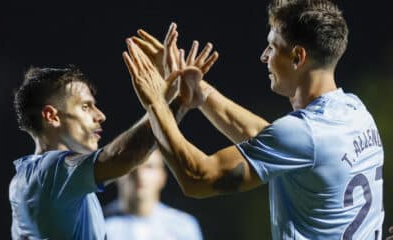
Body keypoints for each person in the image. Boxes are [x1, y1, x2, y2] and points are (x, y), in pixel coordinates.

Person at [123, 0, 384, 239]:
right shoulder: (355, 112)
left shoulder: (305, 135)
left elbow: (197, 178)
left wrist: (156, 101)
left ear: (297, 57)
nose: (264, 57)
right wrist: (199, 90)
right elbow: (272, 139)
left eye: (272, 47)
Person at [9, 23, 218, 239]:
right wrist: (175, 101)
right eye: (85, 106)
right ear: (52, 116)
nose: (100, 115)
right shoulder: (53, 172)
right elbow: (125, 155)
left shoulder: (27, 179)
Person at [104, 150, 203, 240]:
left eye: (149, 167)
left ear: (162, 176)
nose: (140, 175)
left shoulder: (184, 226)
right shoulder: (99, 225)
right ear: (116, 175)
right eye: (130, 166)